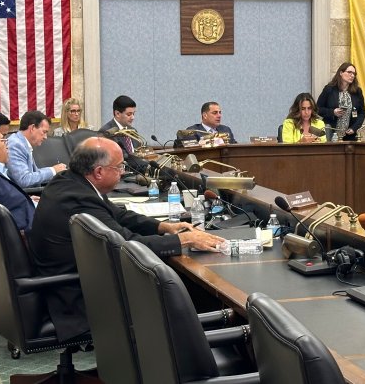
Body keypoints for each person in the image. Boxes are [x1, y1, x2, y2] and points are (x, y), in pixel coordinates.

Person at [29, 137, 226, 341]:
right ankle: (199, 353)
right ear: (98, 172)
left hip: (74, 278)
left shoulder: (70, 181)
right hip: (77, 295)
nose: (123, 172)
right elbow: (126, 245)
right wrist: (185, 240)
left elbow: (117, 215)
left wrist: (163, 226)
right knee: (180, 284)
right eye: (119, 167)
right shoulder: (80, 199)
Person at [7, 110, 66, 188]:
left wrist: (57, 172)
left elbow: (34, 174)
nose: (45, 137)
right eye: (44, 132)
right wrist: (53, 170)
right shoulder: (16, 145)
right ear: (32, 128)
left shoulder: (22, 142)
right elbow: (24, 179)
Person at [316, 62, 365, 141]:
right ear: (341, 73)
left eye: (354, 74)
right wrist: (333, 112)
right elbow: (318, 109)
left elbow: (362, 113)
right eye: (349, 72)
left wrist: (354, 128)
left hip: (350, 136)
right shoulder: (329, 89)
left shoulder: (357, 92)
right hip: (330, 134)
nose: (352, 75)